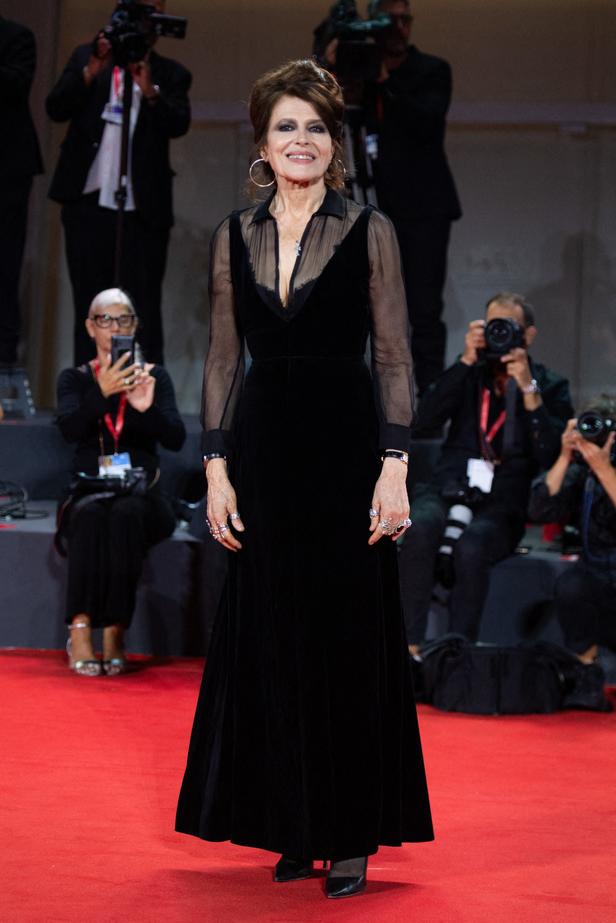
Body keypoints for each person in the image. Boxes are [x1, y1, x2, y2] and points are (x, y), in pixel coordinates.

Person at [176, 59, 433, 899]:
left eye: (316, 127)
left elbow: (393, 354)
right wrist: (215, 467)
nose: (301, 140)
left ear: (336, 143)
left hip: (346, 450)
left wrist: (395, 465)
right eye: (286, 126)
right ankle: (290, 817)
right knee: (271, 636)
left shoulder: (370, 229)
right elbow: (222, 356)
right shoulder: (232, 232)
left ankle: (349, 826)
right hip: (263, 455)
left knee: (347, 635)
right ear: (261, 142)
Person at [398, 293, 573, 654]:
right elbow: (424, 421)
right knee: (419, 526)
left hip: (503, 502)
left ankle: (455, 653)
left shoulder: (550, 385)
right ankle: (408, 648)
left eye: (509, 327)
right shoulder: (468, 373)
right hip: (447, 486)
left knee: (472, 546)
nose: (500, 335)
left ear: (528, 334)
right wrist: (464, 361)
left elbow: (550, 455)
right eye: (493, 325)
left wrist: (528, 389)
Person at [320, 0, 461, 396]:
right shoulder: (354, 71)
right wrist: (328, 62)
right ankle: (357, 395)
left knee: (423, 309)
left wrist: (383, 80)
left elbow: (427, 122)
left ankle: (430, 402)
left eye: (405, 19)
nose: (399, 28)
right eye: (390, 20)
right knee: (355, 303)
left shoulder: (432, 70)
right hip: (364, 198)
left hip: (422, 208)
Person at [45, 0, 191, 366]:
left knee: (141, 305)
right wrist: (91, 70)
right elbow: (56, 107)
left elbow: (178, 124)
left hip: (142, 210)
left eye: (155, 14)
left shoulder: (170, 73)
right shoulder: (90, 56)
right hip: (88, 203)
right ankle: (87, 395)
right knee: (90, 303)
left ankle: (144, 399)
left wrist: (150, 90)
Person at [55, 288, 186, 675]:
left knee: (126, 514)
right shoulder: (75, 379)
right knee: (92, 516)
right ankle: (79, 629)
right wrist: (101, 394)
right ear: (90, 328)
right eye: (105, 320)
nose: (115, 329)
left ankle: (114, 630)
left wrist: (146, 410)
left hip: (142, 491)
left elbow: (175, 437)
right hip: (89, 490)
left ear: (136, 327)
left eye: (124, 320)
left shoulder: (154, 376)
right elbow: (69, 429)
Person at [528, 398, 616, 663]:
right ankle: (585, 671)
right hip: (596, 570)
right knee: (572, 586)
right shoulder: (581, 470)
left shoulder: (599, 468)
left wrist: (604, 469)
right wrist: (565, 455)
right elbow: (539, 510)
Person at [0, 15, 43, 365]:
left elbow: (14, 85)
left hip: (6, 169)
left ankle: (2, 362)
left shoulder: (17, 36)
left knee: (4, 265)